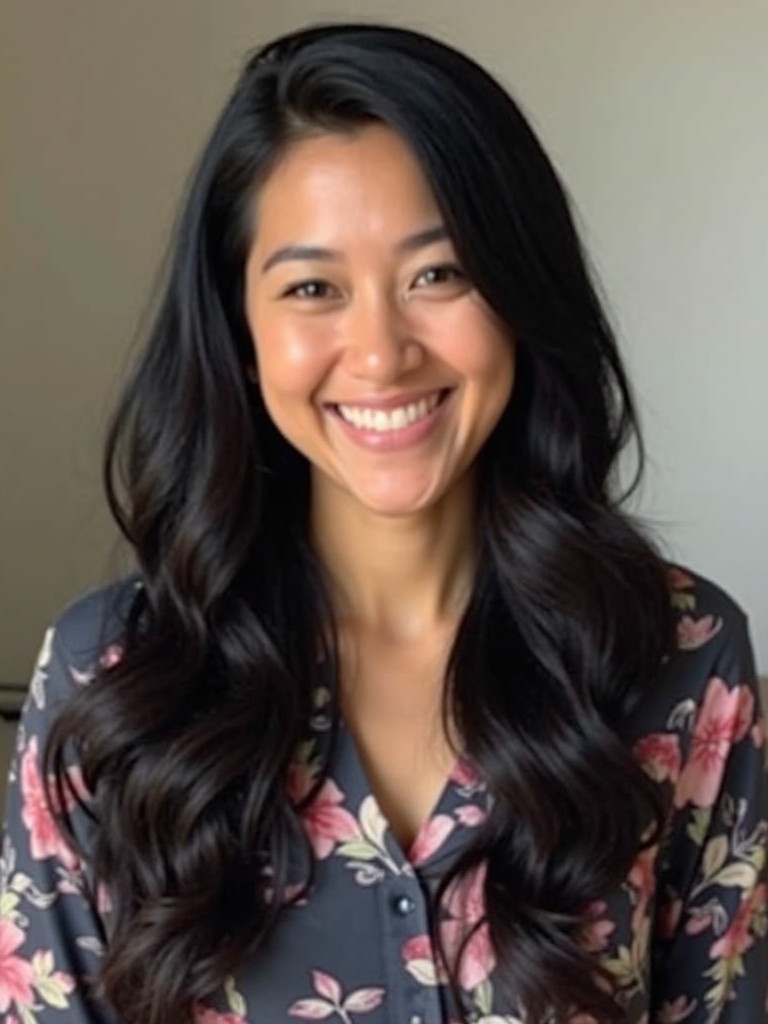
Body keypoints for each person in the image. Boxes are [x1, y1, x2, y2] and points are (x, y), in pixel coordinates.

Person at [1, 21, 765, 1024]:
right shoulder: (111, 674)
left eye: (437, 275)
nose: (380, 353)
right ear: (241, 333)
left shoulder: (681, 657)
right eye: (313, 289)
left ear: (519, 294)